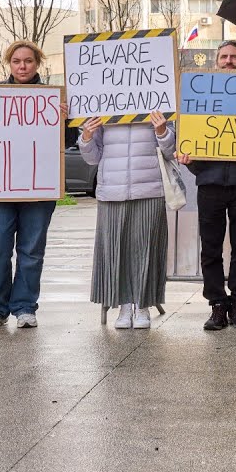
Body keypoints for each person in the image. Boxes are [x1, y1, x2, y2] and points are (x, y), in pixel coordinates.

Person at [0, 40, 67, 330]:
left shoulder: (52, 99)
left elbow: (66, 144)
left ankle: (24, 306)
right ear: (9, 64)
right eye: (17, 61)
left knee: (31, 251)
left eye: (28, 61)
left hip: (39, 188)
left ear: (37, 64)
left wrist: (64, 121)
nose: (22, 66)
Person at [177, 40, 236, 331]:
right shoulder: (201, 98)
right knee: (211, 248)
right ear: (216, 62)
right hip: (210, 184)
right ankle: (217, 304)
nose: (229, 61)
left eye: (234, 57)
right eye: (224, 57)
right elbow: (191, 139)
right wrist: (191, 161)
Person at [78, 109, 176, 329]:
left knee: (147, 249)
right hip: (112, 191)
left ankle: (143, 305)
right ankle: (123, 305)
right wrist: (86, 137)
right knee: (117, 250)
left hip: (149, 189)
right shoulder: (101, 106)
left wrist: (162, 131)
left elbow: (171, 151)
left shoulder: (160, 102)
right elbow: (92, 158)